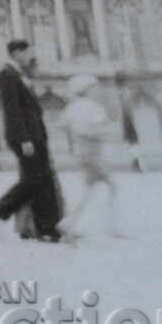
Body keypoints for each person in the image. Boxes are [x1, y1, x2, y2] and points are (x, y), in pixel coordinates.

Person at [0, 40, 62, 242]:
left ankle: (47, 227)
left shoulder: (20, 73)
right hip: (26, 137)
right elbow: (13, 110)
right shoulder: (7, 74)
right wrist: (24, 139)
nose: (30, 55)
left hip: (35, 134)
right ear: (16, 53)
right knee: (33, 180)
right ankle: (0, 210)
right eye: (28, 52)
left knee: (43, 181)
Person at [56, 74, 123, 241]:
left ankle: (69, 224)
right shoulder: (93, 107)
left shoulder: (72, 107)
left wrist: (77, 133)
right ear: (86, 90)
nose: (97, 91)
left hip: (81, 151)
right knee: (109, 188)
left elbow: (61, 125)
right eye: (94, 88)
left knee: (90, 190)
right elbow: (100, 128)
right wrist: (101, 132)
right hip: (93, 152)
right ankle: (111, 227)